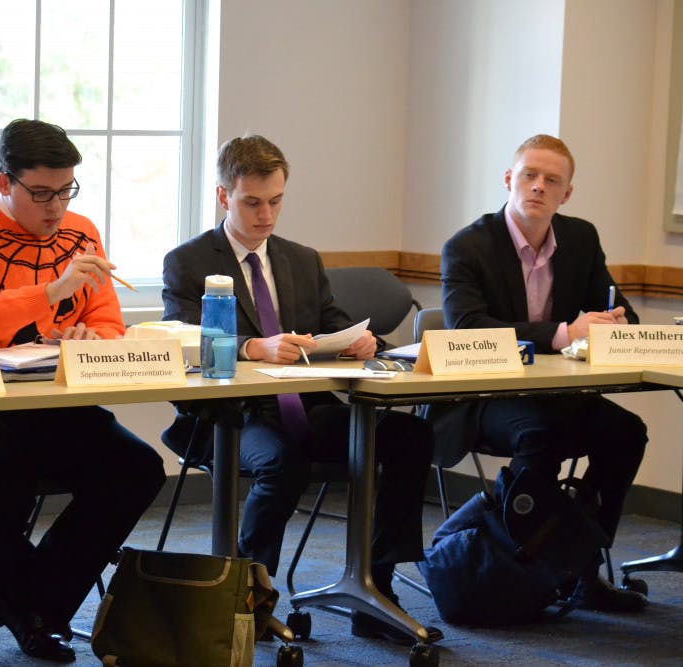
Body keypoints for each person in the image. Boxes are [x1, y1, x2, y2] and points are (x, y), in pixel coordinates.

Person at [0, 119, 166, 663]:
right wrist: (53, 291)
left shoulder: (81, 231)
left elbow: (108, 323)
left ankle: (30, 600)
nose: (56, 208)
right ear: (4, 182)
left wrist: (88, 337)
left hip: (44, 402)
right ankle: (29, 606)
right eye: (41, 193)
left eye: (66, 191)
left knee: (137, 468)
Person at [161, 134, 434, 643]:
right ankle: (250, 593)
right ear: (223, 196)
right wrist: (251, 347)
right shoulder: (189, 261)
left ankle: (376, 585)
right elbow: (180, 340)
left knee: (409, 437)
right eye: (252, 203)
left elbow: (331, 323)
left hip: (306, 407)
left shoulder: (301, 259)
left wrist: (359, 342)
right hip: (234, 414)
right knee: (283, 463)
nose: (266, 216)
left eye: (276, 201)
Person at [433, 133, 648, 611]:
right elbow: (466, 329)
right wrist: (563, 333)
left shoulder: (581, 238)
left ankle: (580, 564)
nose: (538, 186)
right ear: (509, 179)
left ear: (566, 194)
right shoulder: (467, 246)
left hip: (555, 393)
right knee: (541, 434)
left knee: (627, 432)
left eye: (552, 181)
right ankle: (521, 571)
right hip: (485, 396)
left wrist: (612, 324)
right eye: (529, 175)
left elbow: (623, 316)